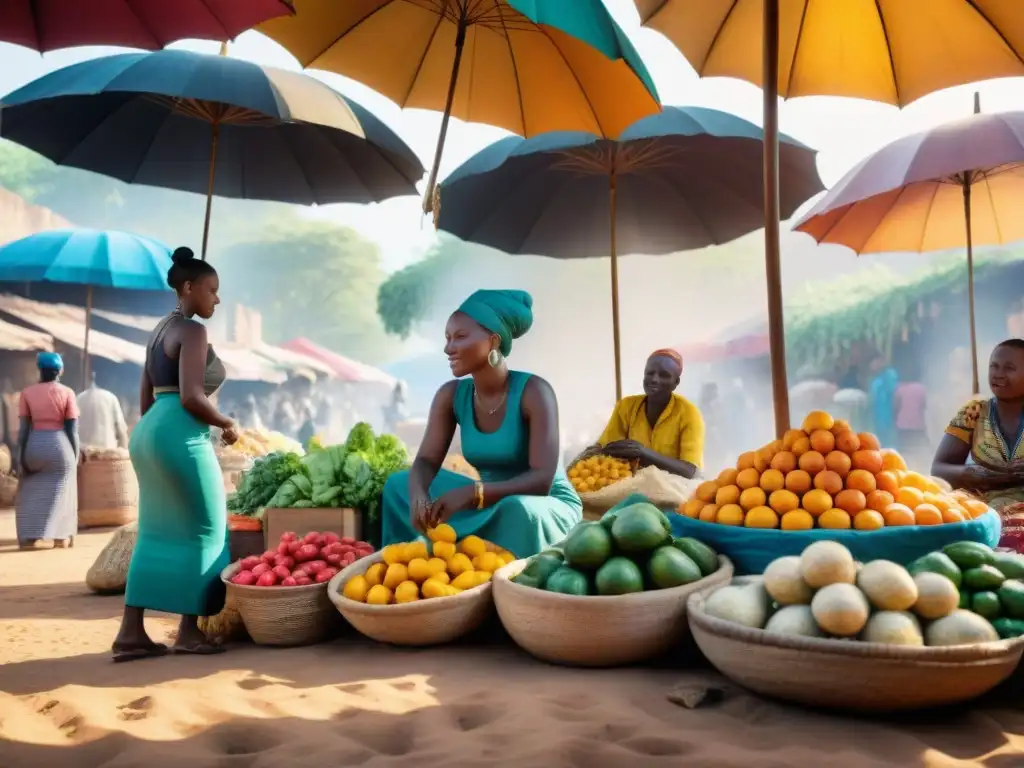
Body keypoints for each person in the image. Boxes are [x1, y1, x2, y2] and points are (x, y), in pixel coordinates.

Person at [381, 289, 581, 558]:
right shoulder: (450, 395)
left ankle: (504, 577)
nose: (448, 348)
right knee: (398, 485)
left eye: (460, 337)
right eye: (447, 338)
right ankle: (408, 566)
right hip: (484, 502)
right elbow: (427, 461)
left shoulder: (534, 391)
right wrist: (418, 495)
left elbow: (541, 480)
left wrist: (474, 494)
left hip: (539, 502)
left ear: (493, 341)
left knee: (518, 511)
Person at [112, 247, 238, 662]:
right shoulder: (193, 332)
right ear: (189, 287)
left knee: (156, 527)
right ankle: (188, 630)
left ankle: (131, 632)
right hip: (180, 431)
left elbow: (145, 396)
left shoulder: (159, 330)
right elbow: (191, 397)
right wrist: (226, 423)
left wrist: (159, 433)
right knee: (207, 527)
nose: (217, 299)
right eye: (212, 290)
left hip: (148, 431)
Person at [932, 339, 1024, 550]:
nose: (998, 374)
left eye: (1009, 368)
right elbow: (939, 469)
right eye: (994, 366)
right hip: (983, 506)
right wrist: (972, 474)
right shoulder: (974, 411)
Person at [595, 349, 704, 479]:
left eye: (664, 375)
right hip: (631, 485)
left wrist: (643, 453)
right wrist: (598, 451)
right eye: (650, 373)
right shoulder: (626, 406)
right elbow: (606, 447)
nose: (654, 379)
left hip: (676, 491)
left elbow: (690, 471)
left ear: (676, 382)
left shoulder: (689, 413)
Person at [16, 352, 79, 550]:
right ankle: (61, 536)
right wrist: (74, 457)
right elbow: (72, 430)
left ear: (40, 370)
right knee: (63, 489)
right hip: (59, 445)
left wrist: (21, 457)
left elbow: (23, 430)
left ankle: (29, 535)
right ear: (59, 371)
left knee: (29, 490)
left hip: (34, 445)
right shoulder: (67, 393)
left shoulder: (27, 393)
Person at [77, 372, 129, 450]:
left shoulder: (79, 398)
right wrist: (124, 452)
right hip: (106, 453)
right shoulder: (111, 398)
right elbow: (121, 431)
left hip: (83, 454)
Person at [894, 364, 929, 467]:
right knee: (918, 451)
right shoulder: (921, 388)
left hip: (902, 425)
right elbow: (924, 407)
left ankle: (906, 470)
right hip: (918, 425)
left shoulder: (899, 387)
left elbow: (895, 406)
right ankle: (920, 469)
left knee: (904, 452)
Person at [869, 355, 899, 449]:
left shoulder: (890, 374)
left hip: (888, 409)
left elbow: (894, 391)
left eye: (875, 362)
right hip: (878, 411)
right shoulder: (876, 379)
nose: (873, 366)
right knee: (880, 433)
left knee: (889, 432)